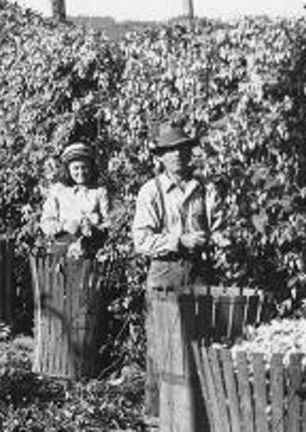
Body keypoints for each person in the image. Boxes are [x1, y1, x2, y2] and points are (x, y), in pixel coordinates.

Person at [130, 122, 223, 425]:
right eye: (171, 151)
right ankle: (158, 418)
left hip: (200, 272)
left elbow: (221, 228)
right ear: (160, 157)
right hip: (165, 273)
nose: (178, 155)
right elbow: (142, 241)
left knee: (200, 344)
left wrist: (217, 241)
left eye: (182, 149)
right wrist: (178, 240)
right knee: (162, 346)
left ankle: (196, 417)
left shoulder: (205, 189)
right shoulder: (151, 191)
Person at [39, 142, 110, 258]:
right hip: (62, 251)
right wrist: (64, 226)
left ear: (91, 168)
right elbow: (46, 223)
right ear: (68, 169)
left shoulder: (99, 192)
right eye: (76, 168)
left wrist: (93, 228)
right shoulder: (58, 191)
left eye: (84, 167)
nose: (81, 172)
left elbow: (109, 222)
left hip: (92, 252)